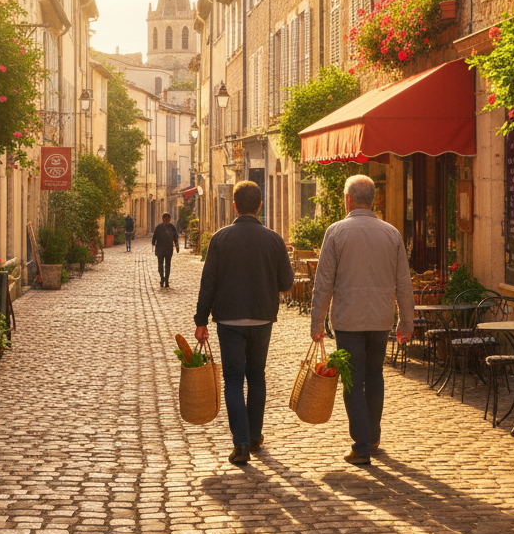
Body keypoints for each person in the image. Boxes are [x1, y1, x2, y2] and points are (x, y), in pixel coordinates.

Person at [310, 175, 414, 466]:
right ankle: (374, 435)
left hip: (349, 321)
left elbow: (323, 284)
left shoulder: (336, 232)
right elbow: (404, 283)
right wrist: (406, 321)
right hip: (381, 319)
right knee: (374, 376)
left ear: (349, 200)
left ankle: (362, 444)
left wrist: (317, 323)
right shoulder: (392, 233)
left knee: (353, 381)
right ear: (373, 200)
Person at [194, 181, 293, 465]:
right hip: (262, 317)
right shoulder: (273, 239)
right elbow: (286, 282)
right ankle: (256, 434)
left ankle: (241, 444)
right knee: (257, 375)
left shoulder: (220, 238)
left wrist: (201, 320)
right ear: (260, 206)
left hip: (229, 319)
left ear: (234, 206)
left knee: (234, 379)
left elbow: (208, 283)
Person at [152, 213, 180, 287]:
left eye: (168, 219)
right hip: (161, 248)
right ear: (163, 219)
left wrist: (177, 246)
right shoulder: (159, 227)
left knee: (167, 265)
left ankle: (166, 280)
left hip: (168, 249)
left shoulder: (171, 227)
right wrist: (153, 244)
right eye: (165, 219)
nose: (167, 220)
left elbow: (175, 238)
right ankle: (162, 278)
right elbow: (154, 237)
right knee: (161, 265)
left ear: (170, 219)